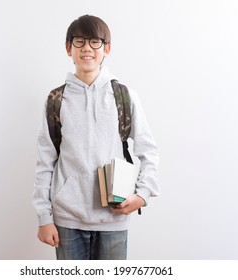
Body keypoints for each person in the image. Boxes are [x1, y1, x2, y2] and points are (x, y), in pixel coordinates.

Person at [33, 14, 159, 260]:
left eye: (94, 42)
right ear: (69, 48)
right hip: (67, 219)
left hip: (113, 218)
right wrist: (44, 218)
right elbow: (45, 161)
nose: (87, 48)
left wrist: (143, 194)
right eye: (79, 41)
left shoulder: (124, 96)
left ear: (106, 48)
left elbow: (148, 149)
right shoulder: (56, 100)